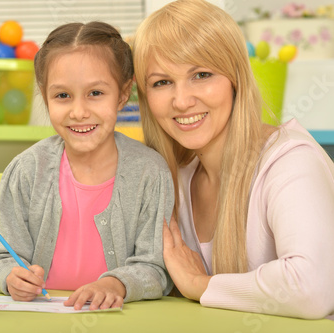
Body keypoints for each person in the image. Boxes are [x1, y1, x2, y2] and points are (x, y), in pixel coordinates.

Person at [132, 0, 334, 319]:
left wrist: (200, 284)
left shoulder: (291, 160)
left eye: (201, 74)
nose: (182, 101)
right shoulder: (176, 180)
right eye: (162, 82)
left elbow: (312, 288)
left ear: (236, 78)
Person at [0, 21, 174, 311]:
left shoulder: (150, 172)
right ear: (45, 98)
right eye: (62, 96)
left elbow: (156, 269)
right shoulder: (26, 170)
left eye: (95, 93)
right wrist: (10, 277)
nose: (79, 112)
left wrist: (115, 284)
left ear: (123, 94)